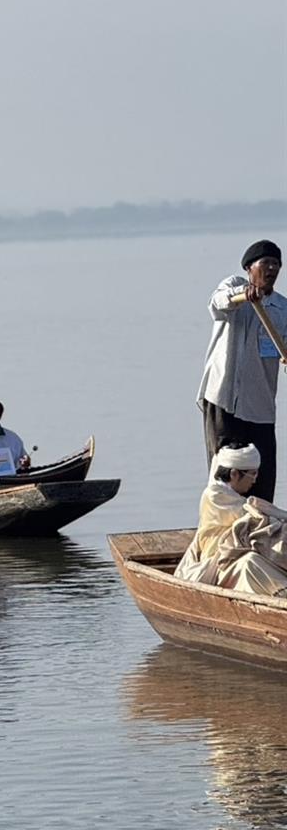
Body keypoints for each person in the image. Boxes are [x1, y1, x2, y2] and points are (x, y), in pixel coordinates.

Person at [198, 239, 285, 503]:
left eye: (276, 264)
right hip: (225, 400)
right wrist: (242, 296)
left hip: (260, 406)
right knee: (226, 472)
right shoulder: (233, 287)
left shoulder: (282, 308)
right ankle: (220, 529)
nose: (271, 269)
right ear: (250, 268)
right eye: (265, 263)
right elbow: (217, 304)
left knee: (262, 473)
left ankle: (261, 529)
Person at [177, 444, 287, 595]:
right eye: (252, 474)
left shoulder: (234, 497)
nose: (254, 480)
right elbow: (246, 518)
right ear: (234, 474)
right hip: (219, 563)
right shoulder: (215, 496)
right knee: (250, 562)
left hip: (233, 556)